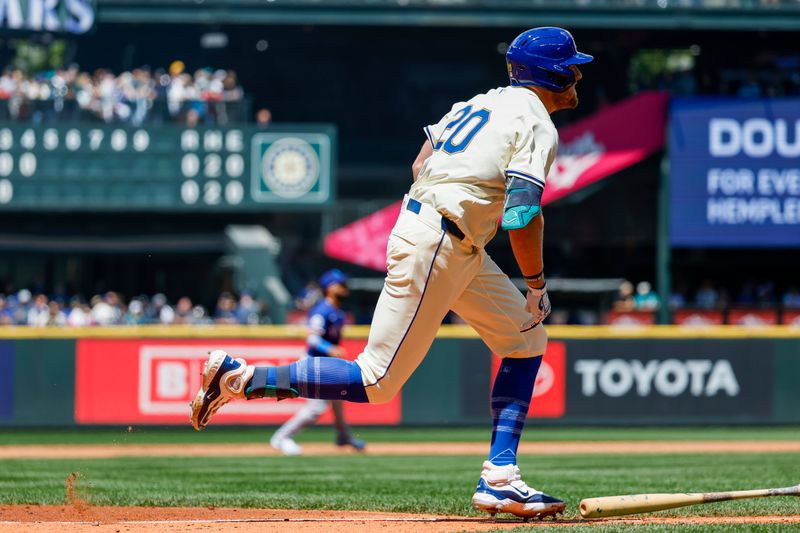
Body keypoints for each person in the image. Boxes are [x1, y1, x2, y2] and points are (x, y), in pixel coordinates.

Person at [190, 27, 591, 519]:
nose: (577, 75)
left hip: (446, 236)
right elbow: (524, 214)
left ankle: (501, 479)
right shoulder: (536, 123)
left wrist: (448, 197)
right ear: (551, 73)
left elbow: (420, 160)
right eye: (572, 67)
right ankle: (242, 378)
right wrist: (535, 284)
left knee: (526, 340)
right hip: (442, 240)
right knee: (375, 382)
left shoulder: (483, 101)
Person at [269, 270, 366, 456]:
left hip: (327, 364)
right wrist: (329, 348)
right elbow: (312, 338)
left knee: (338, 400)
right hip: (313, 365)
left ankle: (343, 436)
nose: (344, 288)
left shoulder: (337, 312)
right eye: (340, 284)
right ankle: (281, 438)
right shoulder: (323, 310)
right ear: (329, 288)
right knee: (316, 408)